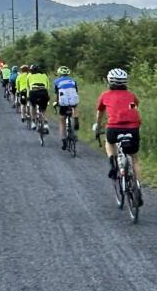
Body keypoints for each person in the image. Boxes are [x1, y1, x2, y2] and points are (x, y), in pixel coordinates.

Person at [92, 67, 142, 203]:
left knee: (109, 142)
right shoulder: (131, 95)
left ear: (109, 81)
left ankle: (112, 162)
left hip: (113, 128)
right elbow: (133, 107)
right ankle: (137, 186)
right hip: (133, 127)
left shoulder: (105, 95)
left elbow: (100, 113)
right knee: (134, 158)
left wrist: (97, 126)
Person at [53, 65, 80, 141]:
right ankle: (76, 117)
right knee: (75, 106)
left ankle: (63, 137)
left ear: (59, 73)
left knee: (62, 119)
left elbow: (57, 94)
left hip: (63, 101)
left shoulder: (56, 81)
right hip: (73, 99)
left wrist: (56, 102)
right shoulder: (73, 81)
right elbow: (75, 91)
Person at [27, 62, 51, 132]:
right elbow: (47, 87)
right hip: (43, 92)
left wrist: (28, 96)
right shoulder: (44, 75)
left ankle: (33, 122)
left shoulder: (29, 76)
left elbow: (28, 87)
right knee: (44, 109)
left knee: (33, 106)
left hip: (33, 92)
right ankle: (46, 124)